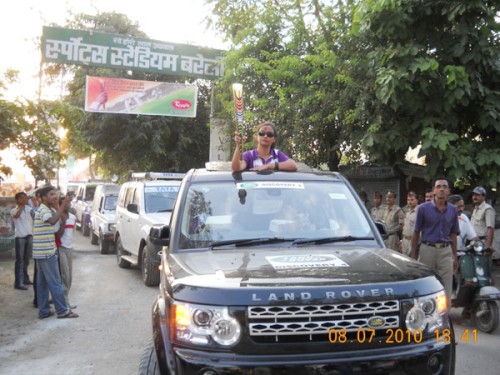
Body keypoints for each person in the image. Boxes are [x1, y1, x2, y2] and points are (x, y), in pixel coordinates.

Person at [33, 185, 78, 319]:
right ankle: (62, 310)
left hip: (41, 251)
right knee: (55, 282)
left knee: (42, 284)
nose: (55, 196)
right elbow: (53, 221)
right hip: (46, 251)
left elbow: (62, 218)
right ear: (43, 198)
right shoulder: (44, 210)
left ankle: (44, 311)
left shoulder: (47, 209)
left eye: (56, 194)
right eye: (52, 194)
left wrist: (61, 205)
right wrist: (63, 204)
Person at [411, 177, 460, 302]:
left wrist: (454, 255)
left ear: (449, 191)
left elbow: (453, 234)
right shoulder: (423, 209)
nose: (441, 189)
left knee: (446, 286)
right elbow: (416, 232)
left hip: (445, 251)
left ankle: (445, 316)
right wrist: (413, 255)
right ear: (433, 191)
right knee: (426, 284)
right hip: (427, 249)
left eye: (444, 187)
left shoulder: (453, 210)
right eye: (438, 187)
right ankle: (425, 314)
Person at [448, 194, 477, 318]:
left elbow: (473, 236)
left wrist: (477, 243)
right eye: (458, 206)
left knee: (471, 279)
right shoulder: (444, 216)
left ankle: (468, 304)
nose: (461, 209)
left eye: (462, 206)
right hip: (446, 254)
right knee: (449, 281)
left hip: (462, 254)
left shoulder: (464, 217)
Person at [231, 121, 298, 172]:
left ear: (274, 139)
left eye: (269, 134)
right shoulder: (249, 155)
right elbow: (236, 168)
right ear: (257, 136)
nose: (265, 136)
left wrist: (268, 166)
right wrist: (238, 145)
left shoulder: (277, 154)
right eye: (262, 133)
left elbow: (293, 165)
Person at [56, 196, 77, 309]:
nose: (68, 205)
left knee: (69, 277)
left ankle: (66, 299)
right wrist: (63, 221)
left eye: (69, 203)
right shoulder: (58, 217)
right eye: (65, 203)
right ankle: (64, 302)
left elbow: (71, 233)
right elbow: (58, 235)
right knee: (64, 275)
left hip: (69, 248)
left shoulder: (73, 217)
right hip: (61, 248)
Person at [10, 192, 34, 290]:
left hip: (29, 236)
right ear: (17, 200)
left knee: (27, 259)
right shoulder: (13, 210)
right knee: (19, 260)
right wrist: (22, 205)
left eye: (25, 198)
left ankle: (25, 278)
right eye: (21, 198)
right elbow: (17, 216)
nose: (23, 199)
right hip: (20, 237)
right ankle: (18, 282)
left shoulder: (30, 209)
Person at [470, 186, 496, 253]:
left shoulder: (488, 209)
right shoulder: (475, 208)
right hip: (473, 243)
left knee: (481, 263)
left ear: (484, 197)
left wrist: (488, 247)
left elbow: (490, 228)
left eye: (477, 195)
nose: (474, 197)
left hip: (482, 244)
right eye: (473, 195)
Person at [400, 191, 418, 256]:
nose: (409, 202)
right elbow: (404, 228)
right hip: (405, 241)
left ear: (417, 200)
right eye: (408, 200)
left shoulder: (419, 212)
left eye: (412, 200)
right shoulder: (407, 212)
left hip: (413, 241)